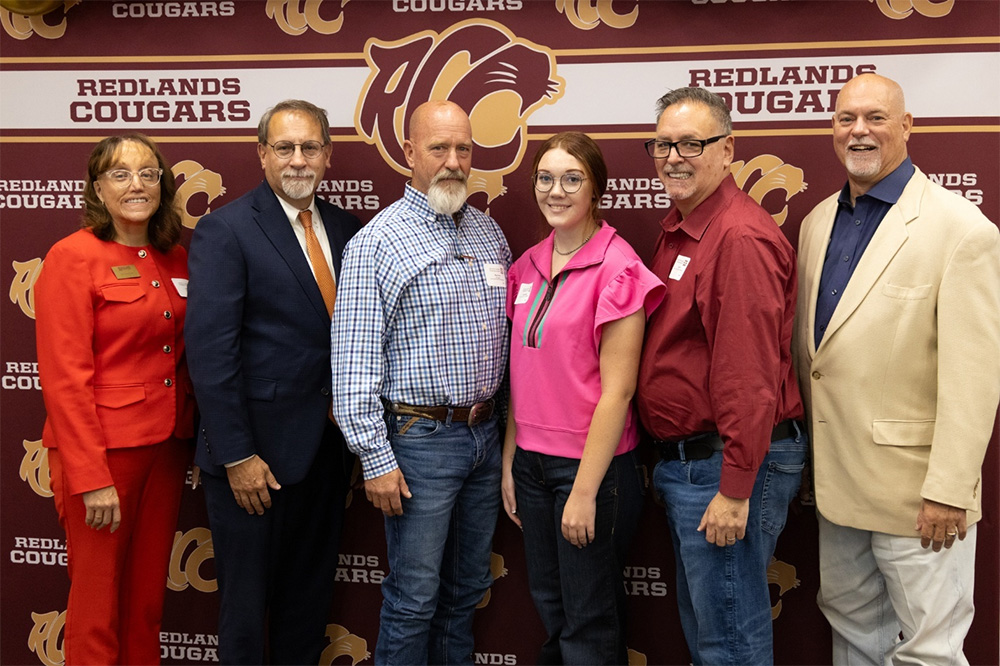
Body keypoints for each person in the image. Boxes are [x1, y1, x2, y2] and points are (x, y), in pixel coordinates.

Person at [795, 73, 1000, 666]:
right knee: (855, 632)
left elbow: (975, 377)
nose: (859, 130)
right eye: (845, 118)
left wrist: (948, 490)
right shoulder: (815, 225)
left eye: (876, 117)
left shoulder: (960, 230)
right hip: (838, 491)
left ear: (907, 126)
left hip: (920, 499)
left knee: (931, 650)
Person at [331, 100, 510, 665]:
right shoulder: (377, 243)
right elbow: (352, 364)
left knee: (463, 595)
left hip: (484, 438)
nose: (454, 162)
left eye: (463, 148)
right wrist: (375, 459)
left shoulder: (488, 233)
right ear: (409, 153)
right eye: (439, 148)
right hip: (418, 444)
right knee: (413, 599)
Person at [635, 87, 806, 665]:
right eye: (663, 145)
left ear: (727, 149)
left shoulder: (737, 237)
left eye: (691, 143)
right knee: (712, 632)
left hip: (725, 468)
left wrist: (734, 489)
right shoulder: (686, 227)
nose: (674, 157)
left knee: (729, 642)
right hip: (692, 464)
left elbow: (749, 376)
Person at [185, 99, 361, 664]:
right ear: (262, 153)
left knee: (306, 609)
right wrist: (237, 456)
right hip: (253, 464)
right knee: (245, 613)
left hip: (326, 457)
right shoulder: (225, 230)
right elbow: (211, 355)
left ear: (328, 155)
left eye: (310, 147)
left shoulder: (346, 229)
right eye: (284, 147)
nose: (297, 160)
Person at [500, 131, 664, 664]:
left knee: (588, 618)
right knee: (552, 608)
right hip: (531, 466)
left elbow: (618, 392)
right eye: (545, 178)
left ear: (597, 190)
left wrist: (585, 492)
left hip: (591, 471)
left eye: (572, 179)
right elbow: (520, 376)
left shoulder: (618, 268)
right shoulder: (526, 266)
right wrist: (510, 463)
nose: (556, 190)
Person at [34, 134, 195, 665]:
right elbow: (64, 379)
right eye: (121, 175)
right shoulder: (72, 256)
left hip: (167, 448)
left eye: (149, 174)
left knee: (145, 602)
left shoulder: (174, 256)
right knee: (97, 605)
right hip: (104, 457)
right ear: (98, 188)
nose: (137, 185)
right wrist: (91, 476)